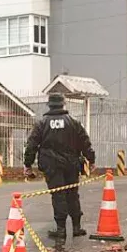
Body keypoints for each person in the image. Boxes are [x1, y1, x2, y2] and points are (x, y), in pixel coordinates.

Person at [24, 94, 96, 241]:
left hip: (51, 165)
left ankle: (61, 229)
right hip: (71, 164)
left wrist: (28, 164)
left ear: (49, 105)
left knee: (58, 195)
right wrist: (91, 159)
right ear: (63, 104)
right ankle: (76, 227)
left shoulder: (41, 124)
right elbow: (85, 142)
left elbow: (31, 145)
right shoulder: (74, 122)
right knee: (72, 194)